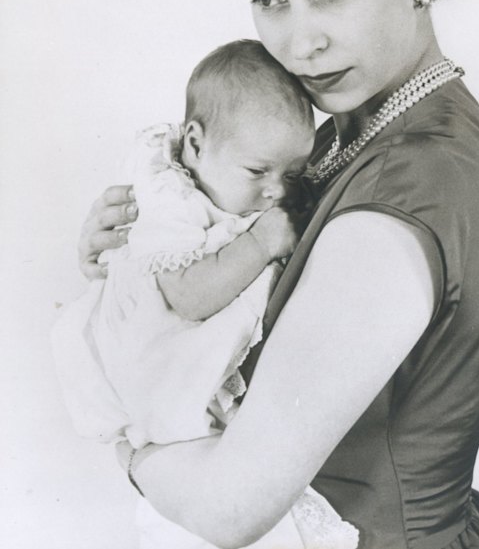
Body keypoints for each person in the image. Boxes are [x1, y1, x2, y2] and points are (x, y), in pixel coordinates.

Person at [78, 0, 479, 549]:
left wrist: (120, 432)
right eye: (268, 0)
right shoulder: (359, 135)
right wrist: (140, 259)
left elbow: (228, 508)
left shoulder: (405, 193)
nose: (299, 42)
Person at [53, 40, 359, 548]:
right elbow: (190, 298)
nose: (275, 192)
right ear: (194, 143)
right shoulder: (168, 201)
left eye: (291, 174)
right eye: (258, 172)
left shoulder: (226, 177)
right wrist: (261, 242)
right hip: (162, 377)